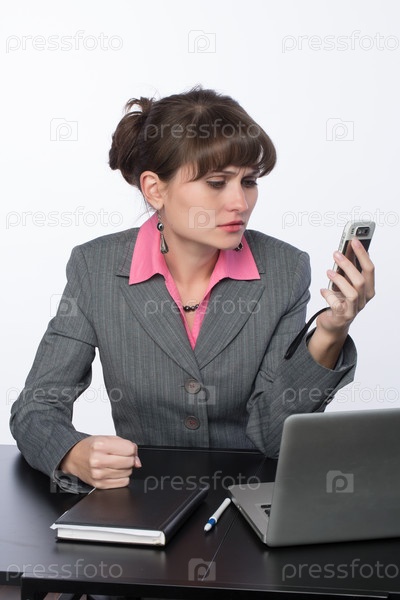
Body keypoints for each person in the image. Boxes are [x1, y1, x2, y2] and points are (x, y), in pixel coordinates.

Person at [10, 87, 375, 493]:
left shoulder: (284, 270)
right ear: (155, 189)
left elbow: (273, 438)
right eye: (217, 182)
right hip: (143, 500)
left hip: (246, 500)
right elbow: (36, 408)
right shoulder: (95, 268)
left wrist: (331, 332)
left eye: (249, 181)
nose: (240, 203)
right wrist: (71, 452)